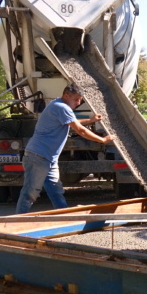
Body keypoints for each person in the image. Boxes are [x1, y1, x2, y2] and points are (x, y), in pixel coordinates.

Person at [16, 84, 112, 214]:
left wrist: (91, 120)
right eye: (76, 99)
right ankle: (18, 220)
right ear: (66, 95)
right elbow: (81, 131)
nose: (78, 103)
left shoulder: (57, 104)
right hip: (38, 157)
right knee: (30, 193)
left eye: (80, 100)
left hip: (48, 159)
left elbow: (73, 122)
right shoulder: (61, 107)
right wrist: (103, 140)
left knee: (56, 191)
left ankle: (64, 218)